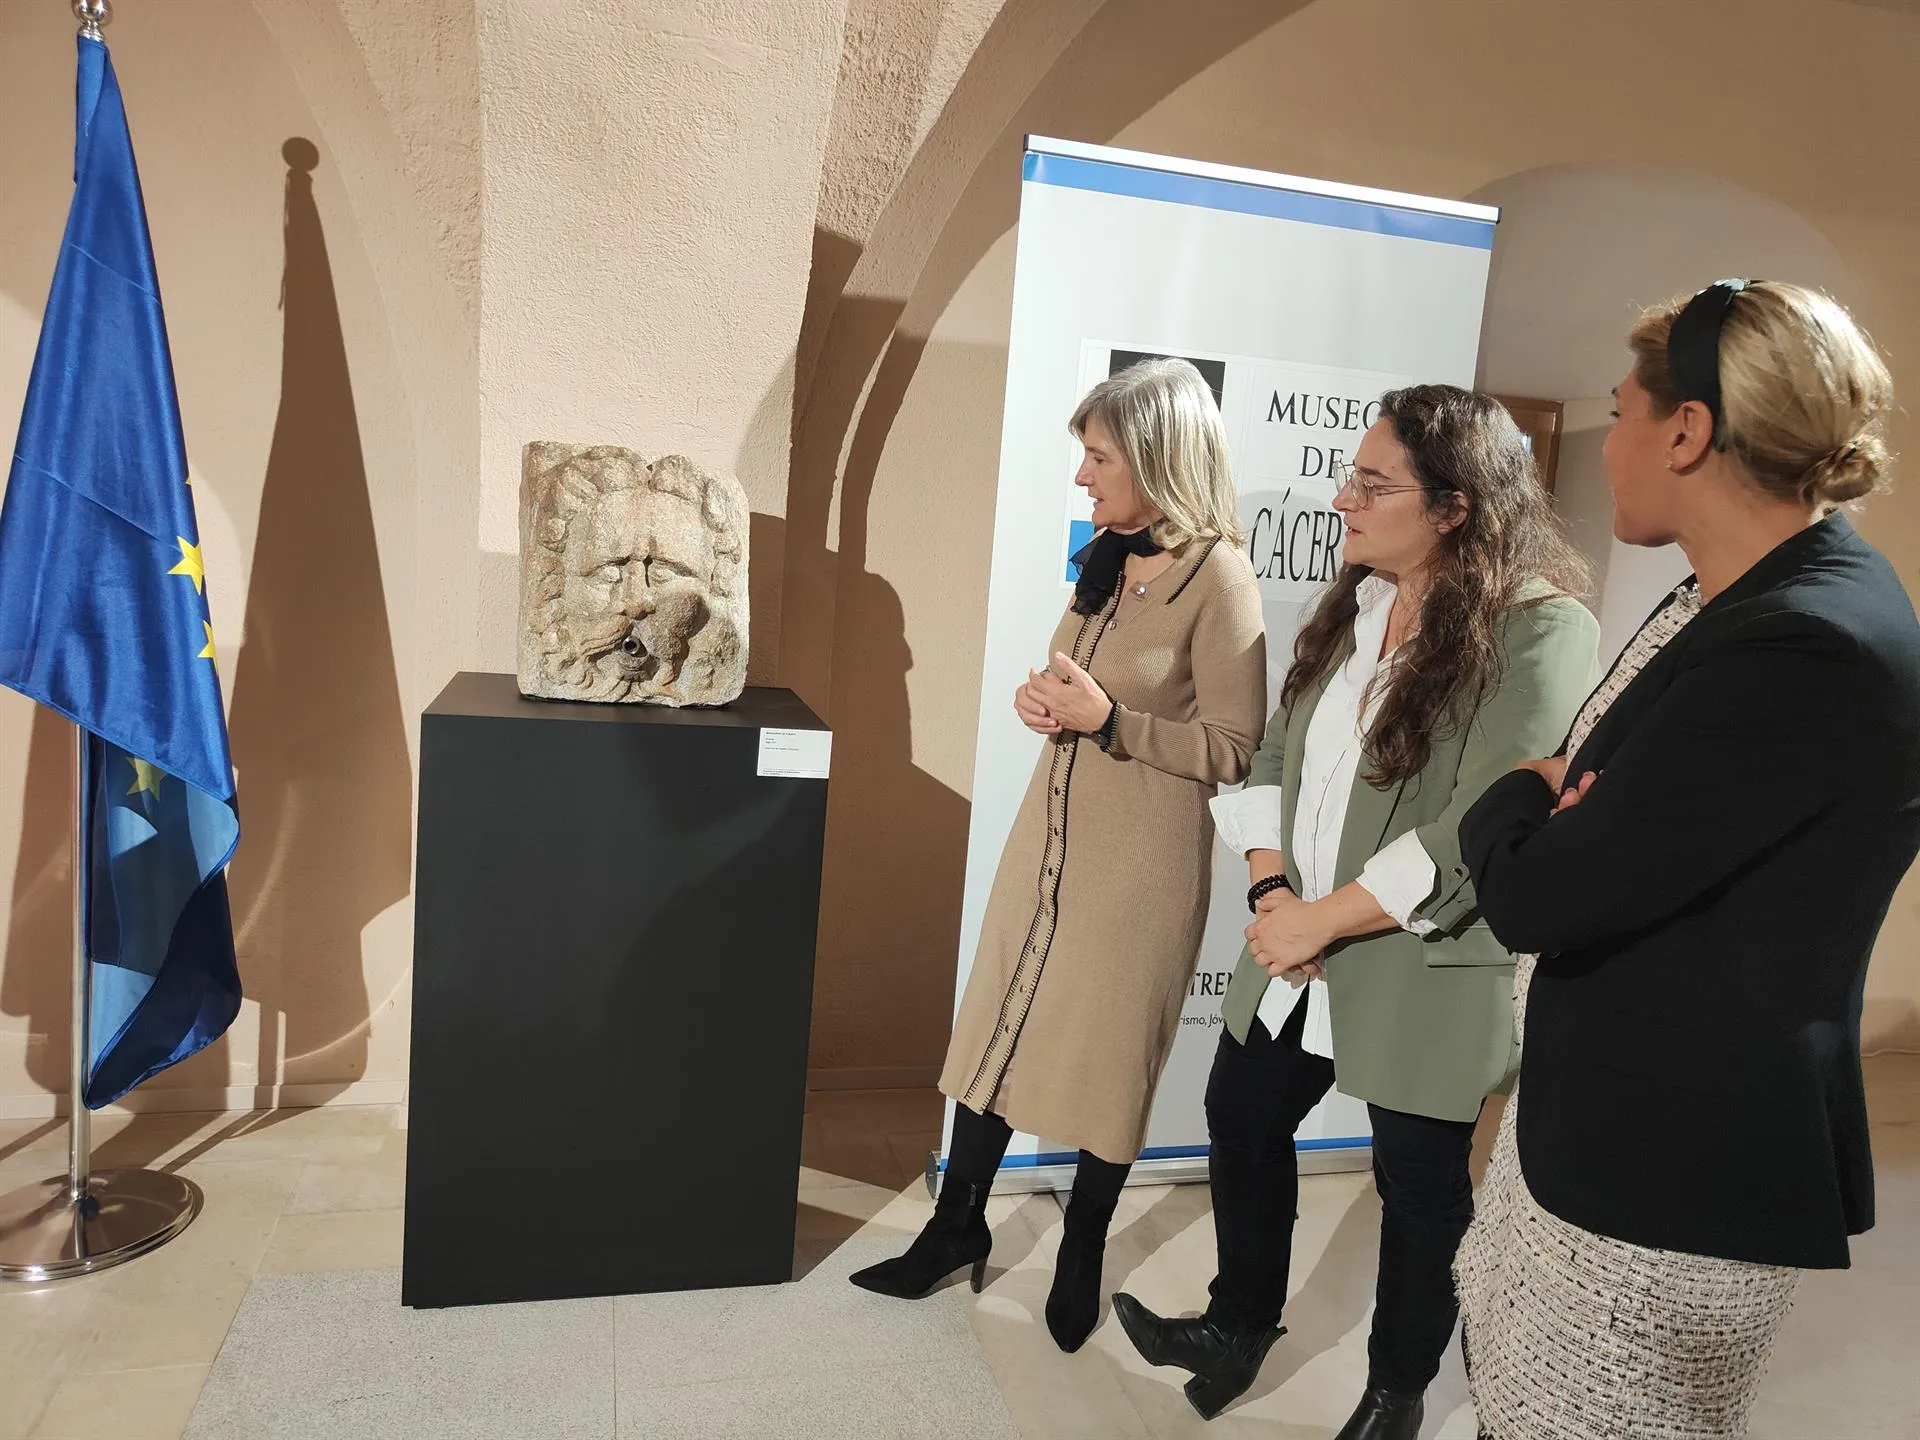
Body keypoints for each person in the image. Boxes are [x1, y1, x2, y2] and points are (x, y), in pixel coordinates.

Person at [1454, 280, 1920, 1440]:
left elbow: (1535, 889)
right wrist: (1552, 799)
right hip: (1602, 1129)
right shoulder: (1731, 601)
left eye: (1618, 412)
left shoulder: (1804, 645)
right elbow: (1581, 796)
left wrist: (1508, 795)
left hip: (1664, 1184)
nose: (1609, 442)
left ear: (1688, 430)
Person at [1113, 384, 1599, 1438]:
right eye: (1349, 476)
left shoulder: (1541, 631)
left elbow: (1485, 820)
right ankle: (1237, 1325)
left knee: (1419, 1185)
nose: (1342, 500)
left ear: (1456, 506)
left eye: (1373, 485)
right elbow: (1280, 755)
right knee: (1242, 1116)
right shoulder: (1361, 602)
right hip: (1297, 933)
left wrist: (1325, 920)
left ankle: (1396, 1393)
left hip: (1416, 956)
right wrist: (1272, 888)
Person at [850, 358, 1267, 1353]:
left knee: (1107, 1059)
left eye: (1098, 456)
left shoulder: (1223, 578)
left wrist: (1111, 720)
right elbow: (1074, 681)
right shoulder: (1109, 556)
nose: (1083, 477)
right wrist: (1047, 703)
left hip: (1140, 870)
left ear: (1160, 456)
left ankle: (1080, 1252)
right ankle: (957, 1227)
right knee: (996, 1026)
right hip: (1045, 846)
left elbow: (1235, 748)